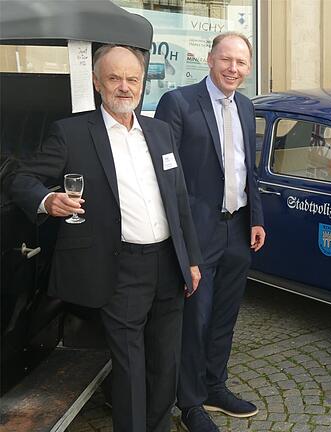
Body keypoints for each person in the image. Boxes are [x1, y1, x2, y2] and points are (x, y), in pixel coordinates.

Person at [10, 45, 202, 432]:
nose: (125, 87)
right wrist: (48, 200)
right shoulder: (72, 133)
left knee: (166, 362)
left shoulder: (160, 132)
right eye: (115, 78)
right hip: (118, 266)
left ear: (143, 82)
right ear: (98, 83)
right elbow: (21, 179)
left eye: (133, 79)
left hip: (168, 263)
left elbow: (179, 201)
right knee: (130, 366)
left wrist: (191, 259)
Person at [154, 32, 265, 431]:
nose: (233, 68)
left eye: (241, 63)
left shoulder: (247, 107)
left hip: (237, 229)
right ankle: (190, 403)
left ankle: (216, 385)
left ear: (248, 68)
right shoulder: (179, 103)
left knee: (224, 317)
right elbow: (168, 178)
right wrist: (181, 243)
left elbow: (245, 171)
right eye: (226, 60)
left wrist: (257, 218)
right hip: (197, 234)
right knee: (194, 320)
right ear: (210, 59)